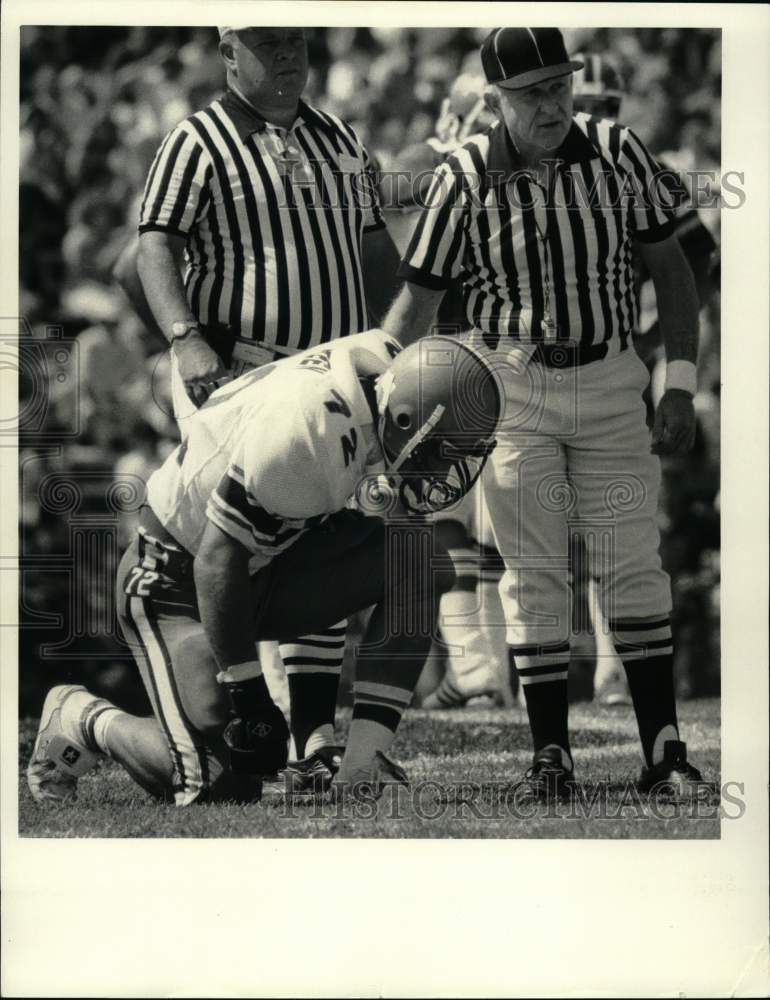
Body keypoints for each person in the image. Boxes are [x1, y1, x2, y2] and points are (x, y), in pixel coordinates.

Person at [384, 27, 708, 800]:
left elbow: (674, 268)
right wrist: (380, 404)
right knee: (532, 575)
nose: (553, 104)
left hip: (608, 378)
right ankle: (549, 757)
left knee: (633, 561)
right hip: (512, 385)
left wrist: (681, 383)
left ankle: (663, 750)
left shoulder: (616, 150)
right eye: (532, 93)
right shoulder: (461, 175)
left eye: (559, 86)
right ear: (494, 100)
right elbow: (416, 305)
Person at [27, 330, 501, 806]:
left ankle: (361, 764)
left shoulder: (391, 385)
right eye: (442, 453)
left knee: (419, 561)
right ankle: (85, 717)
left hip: (261, 562)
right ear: (404, 419)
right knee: (220, 782)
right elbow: (216, 562)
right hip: (174, 576)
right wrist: (249, 696)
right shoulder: (310, 430)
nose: (445, 472)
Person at [116, 26, 402, 779]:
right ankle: (246, 703)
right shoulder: (198, 139)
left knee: (339, 532)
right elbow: (150, 247)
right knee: (256, 537)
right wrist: (184, 337)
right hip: (242, 376)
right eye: (266, 42)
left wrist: (390, 341)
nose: (286, 55)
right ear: (229, 51)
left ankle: (311, 734)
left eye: (295, 40)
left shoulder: (340, 135)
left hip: (332, 379)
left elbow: (373, 248)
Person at [569, 51, 719, 707]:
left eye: (605, 107)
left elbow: (699, 264)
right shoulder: (524, 171)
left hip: (618, 359)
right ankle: (500, 674)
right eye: (585, 105)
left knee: (619, 516)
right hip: (542, 365)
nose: (593, 117)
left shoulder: (641, 170)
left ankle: (611, 668)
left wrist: (657, 344)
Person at [382, 74, 510, 711]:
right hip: (471, 356)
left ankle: (478, 673)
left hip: (462, 358)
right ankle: (478, 672)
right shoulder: (443, 169)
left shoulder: (434, 168)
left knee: (463, 525)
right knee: (465, 524)